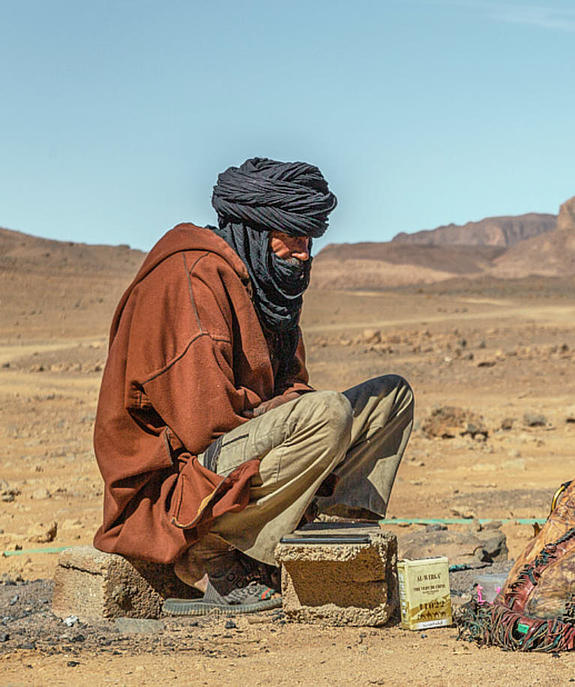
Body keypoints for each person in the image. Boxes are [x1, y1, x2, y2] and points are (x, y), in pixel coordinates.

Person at [92, 158, 414, 614]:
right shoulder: (191, 278)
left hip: (229, 449)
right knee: (328, 415)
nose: (304, 254)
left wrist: (284, 407)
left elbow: (292, 384)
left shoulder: (263, 285)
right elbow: (206, 424)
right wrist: (283, 411)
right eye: (294, 238)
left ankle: (309, 539)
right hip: (171, 490)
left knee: (390, 397)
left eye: (309, 240)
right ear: (258, 230)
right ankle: (214, 555)